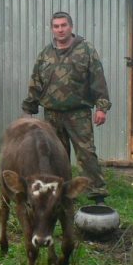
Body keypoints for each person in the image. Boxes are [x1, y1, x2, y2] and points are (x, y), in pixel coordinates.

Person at [22, 11, 111, 205]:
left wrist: (101, 107)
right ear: (52, 29)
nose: (60, 30)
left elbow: (98, 80)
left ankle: (97, 195)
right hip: (52, 115)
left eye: (64, 25)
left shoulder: (85, 49)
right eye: (56, 26)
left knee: (86, 153)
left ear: (71, 27)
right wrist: (28, 110)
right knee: (55, 156)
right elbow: (36, 82)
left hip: (78, 113)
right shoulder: (45, 54)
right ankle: (59, 193)